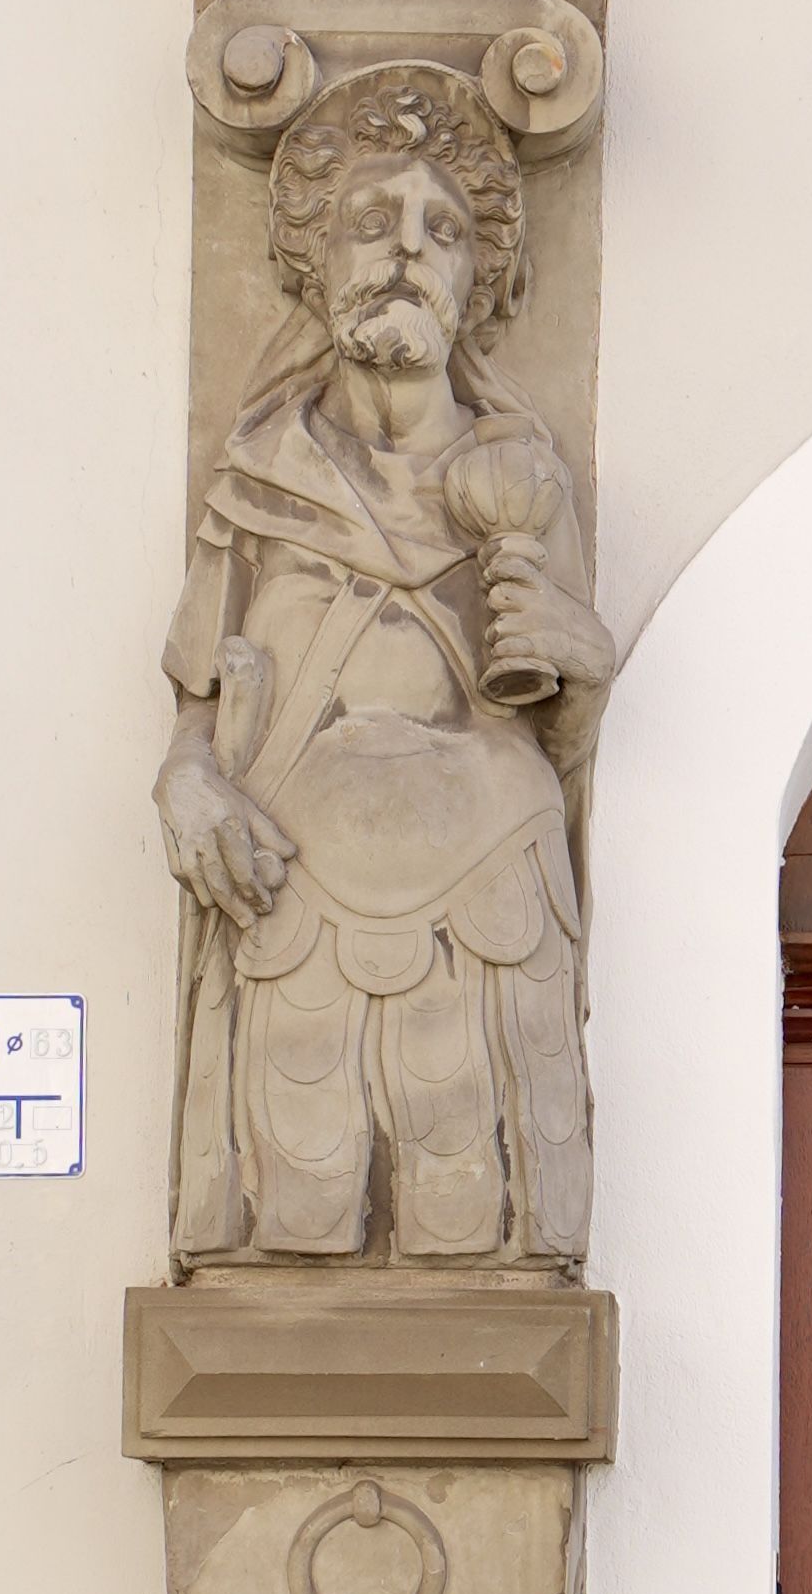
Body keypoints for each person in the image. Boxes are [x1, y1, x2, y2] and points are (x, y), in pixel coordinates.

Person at [159, 62, 612, 1265]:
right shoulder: (259, 475)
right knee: (296, 1211)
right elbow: (196, 709)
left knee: (479, 1206)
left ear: (480, 284)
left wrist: (585, 670)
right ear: (315, 262)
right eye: (371, 221)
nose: (407, 249)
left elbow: (566, 745)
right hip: (298, 876)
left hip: (490, 880)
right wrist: (189, 784)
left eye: (443, 231)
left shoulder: (524, 481)